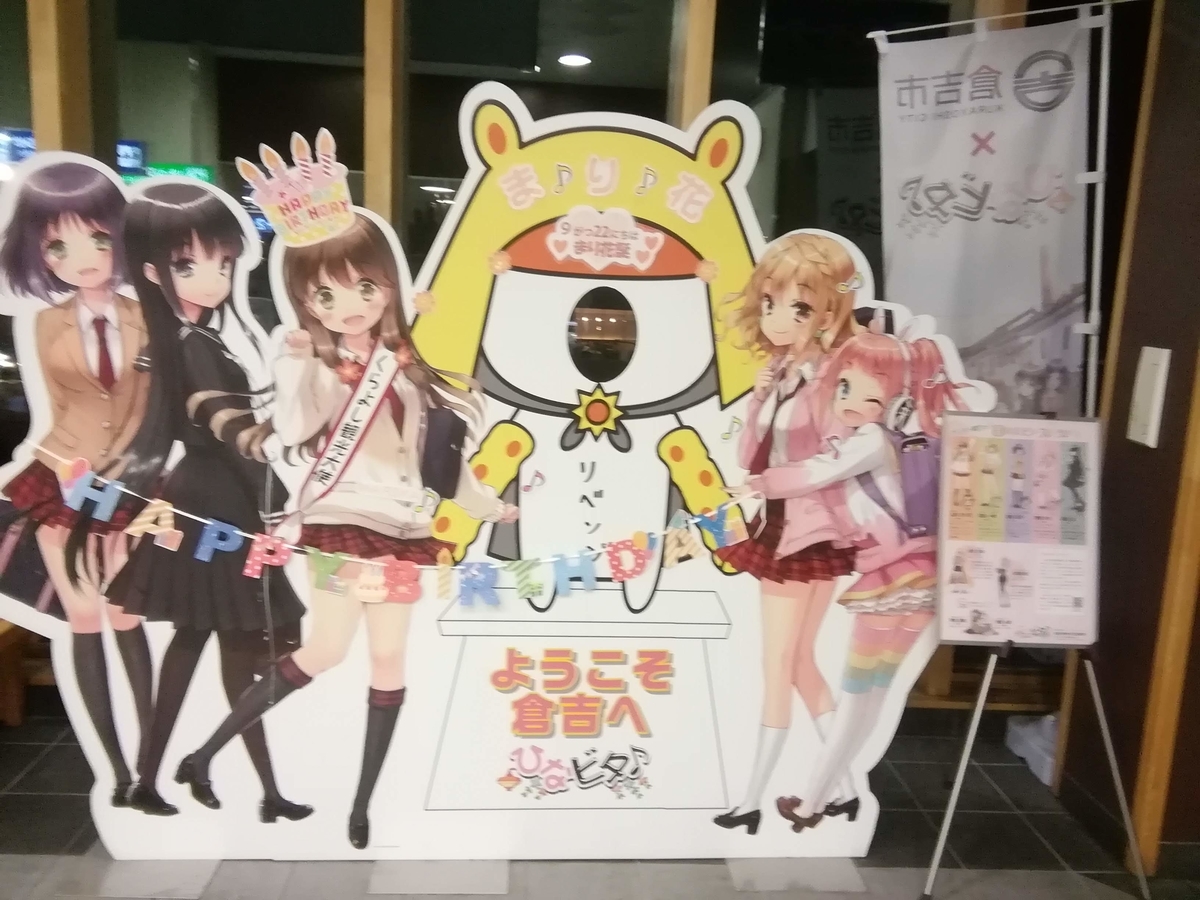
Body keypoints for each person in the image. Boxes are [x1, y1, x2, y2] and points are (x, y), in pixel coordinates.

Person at [179, 210, 517, 850]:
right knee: (327, 650)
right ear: (307, 303)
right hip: (341, 526)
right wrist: (293, 364)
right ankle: (204, 754)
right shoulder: (315, 363)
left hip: (404, 530)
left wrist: (487, 505)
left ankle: (361, 807)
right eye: (326, 295)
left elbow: (436, 458)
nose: (350, 306)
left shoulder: (405, 365)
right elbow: (294, 427)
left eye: (365, 287)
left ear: (387, 287)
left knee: (388, 660)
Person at [80, 182, 311, 823]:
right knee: (224, 647)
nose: (212, 277)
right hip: (221, 503)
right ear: (153, 271)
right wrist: (275, 504)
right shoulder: (190, 345)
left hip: (206, 500)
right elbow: (238, 439)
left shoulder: (189, 339)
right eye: (189, 264)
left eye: (223, 262)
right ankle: (192, 779)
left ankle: (188, 780)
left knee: (207, 646)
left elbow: (241, 431)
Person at [730, 331, 966, 832]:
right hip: (924, 579)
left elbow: (816, 472)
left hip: (889, 584)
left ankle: (815, 803)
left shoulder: (870, 441)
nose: (850, 403)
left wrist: (760, 484)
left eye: (869, 396)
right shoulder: (912, 438)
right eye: (844, 388)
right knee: (870, 693)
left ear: (896, 400)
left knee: (858, 694)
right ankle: (838, 795)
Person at [0, 160, 152, 806]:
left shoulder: (151, 318)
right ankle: (114, 769)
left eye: (97, 238)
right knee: (84, 619)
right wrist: (57, 463)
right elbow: (57, 411)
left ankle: (150, 758)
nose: (81, 258)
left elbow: (164, 408)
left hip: (135, 485)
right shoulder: (46, 324)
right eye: (56, 246)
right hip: (64, 479)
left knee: (127, 614)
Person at [710, 233, 862, 835]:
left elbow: (833, 460)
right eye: (771, 302)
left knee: (778, 663)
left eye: (799, 307)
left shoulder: (833, 380)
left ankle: (751, 801)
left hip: (803, 533)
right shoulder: (781, 372)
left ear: (829, 311)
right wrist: (760, 401)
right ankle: (844, 790)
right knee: (798, 662)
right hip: (785, 524)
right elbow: (751, 453)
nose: (777, 318)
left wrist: (765, 482)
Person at [1063, 446, 1086, 511]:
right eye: (1071, 452)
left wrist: (1070, 465)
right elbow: (1076, 468)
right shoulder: (1075, 459)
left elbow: (1078, 469)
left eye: (1072, 452)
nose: (1071, 453)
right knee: (1074, 492)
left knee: (1074, 491)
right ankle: (1079, 504)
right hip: (1073, 477)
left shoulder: (1077, 460)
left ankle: (1080, 504)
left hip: (1074, 478)